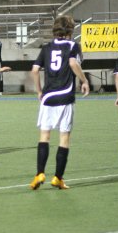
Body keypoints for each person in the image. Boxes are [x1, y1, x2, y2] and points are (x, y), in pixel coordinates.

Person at [30, 15, 90, 190]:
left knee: (44, 136)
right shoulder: (73, 46)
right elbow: (73, 63)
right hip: (65, 96)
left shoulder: (47, 47)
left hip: (48, 97)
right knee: (64, 137)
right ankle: (58, 178)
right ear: (71, 30)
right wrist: (84, 80)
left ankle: (39, 173)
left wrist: (40, 91)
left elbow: (34, 70)